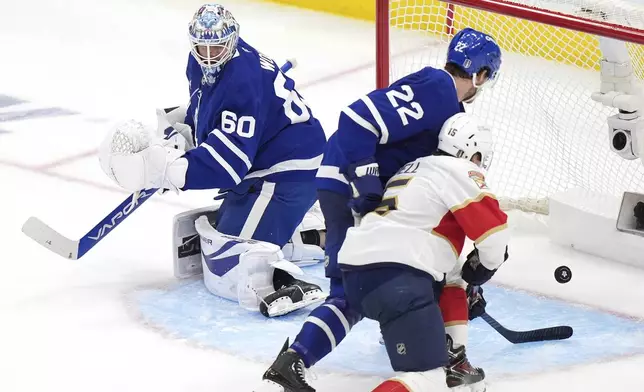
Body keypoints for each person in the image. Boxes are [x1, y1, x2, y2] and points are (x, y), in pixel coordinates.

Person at [258, 28, 502, 391]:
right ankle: (298, 361)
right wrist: (367, 185)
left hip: (352, 184)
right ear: (481, 74)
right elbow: (356, 119)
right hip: (346, 181)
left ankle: (293, 363)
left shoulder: (450, 107)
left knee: (357, 290)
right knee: (352, 291)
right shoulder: (438, 88)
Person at [98, 3, 327, 316]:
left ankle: (287, 274)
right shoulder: (200, 64)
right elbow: (206, 111)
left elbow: (230, 164)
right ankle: (308, 233)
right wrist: (185, 134)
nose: (208, 56)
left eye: (216, 47)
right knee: (220, 241)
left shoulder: (241, 80)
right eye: (201, 47)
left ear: (231, 42)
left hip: (288, 170)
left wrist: (173, 171)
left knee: (231, 263)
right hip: (265, 164)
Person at [339, 112, 509, 392]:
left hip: (359, 275)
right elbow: (495, 238)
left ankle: (454, 359)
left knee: (455, 277)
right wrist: (483, 268)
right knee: (428, 379)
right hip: (399, 278)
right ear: (473, 152)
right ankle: (443, 368)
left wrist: (468, 280)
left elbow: (450, 269)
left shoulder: (412, 168)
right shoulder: (460, 170)